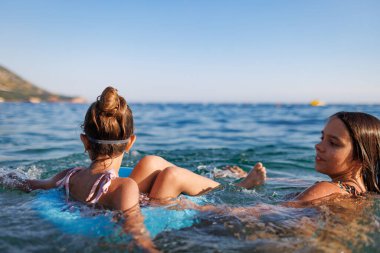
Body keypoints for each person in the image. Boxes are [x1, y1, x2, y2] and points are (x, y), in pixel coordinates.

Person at [0, 86, 266, 250]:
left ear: (84, 141)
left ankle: (234, 184)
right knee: (171, 175)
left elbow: (27, 184)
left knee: (151, 162)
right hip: (155, 207)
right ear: (130, 144)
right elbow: (136, 231)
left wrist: (7, 176)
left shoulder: (67, 176)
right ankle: (237, 188)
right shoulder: (124, 186)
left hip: (120, 195)